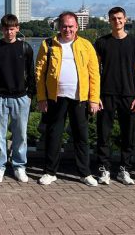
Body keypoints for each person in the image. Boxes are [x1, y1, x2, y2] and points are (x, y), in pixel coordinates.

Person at [35, 11, 100, 186]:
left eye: (71, 26)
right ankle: (50, 172)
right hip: (55, 97)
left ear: (77, 27)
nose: (67, 30)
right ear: (59, 26)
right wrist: (41, 97)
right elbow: (39, 73)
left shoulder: (86, 45)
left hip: (79, 98)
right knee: (53, 135)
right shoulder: (48, 44)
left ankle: (85, 173)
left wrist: (94, 99)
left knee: (81, 136)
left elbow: (94, 74)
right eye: (64, 26)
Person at [94, 6, 135, 186]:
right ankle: (104, 169)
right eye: (113, 18)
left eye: (120, 18)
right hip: (106, 94)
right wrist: (96, 95)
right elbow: (95, 71)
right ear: (109, 20)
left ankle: (125, 169)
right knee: (103, 134)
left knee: (127, 135)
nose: (117, 21)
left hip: (128, 94)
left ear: (125, 19)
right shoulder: (101, 42)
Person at [0, 13, 35, 183]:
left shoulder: (25, 48)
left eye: (12, 29)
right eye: (6, 29)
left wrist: (30, 95)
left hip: (21, 97)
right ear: (2, 29)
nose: (9, 32)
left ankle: (19, 166)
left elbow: (31, 73)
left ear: (17, 29)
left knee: (20, 135)